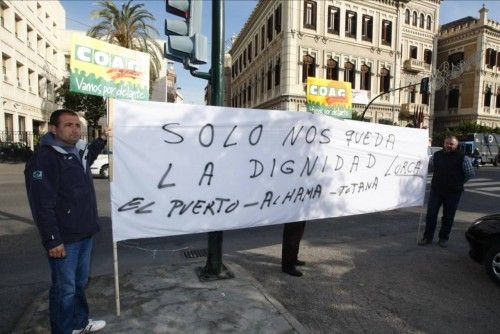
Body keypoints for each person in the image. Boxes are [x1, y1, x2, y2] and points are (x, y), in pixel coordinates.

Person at [25, 109, 108, 334]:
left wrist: (101, 139)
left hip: (84, 232)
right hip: (64, 239)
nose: (75, 129)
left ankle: (79, 323)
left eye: (77, 125)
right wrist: (52, 240)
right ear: (54, 129)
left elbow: (88, 157)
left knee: (79, 284)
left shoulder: (76, 152)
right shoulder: (45, 159)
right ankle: (63, 330)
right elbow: (42, 205)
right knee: (65, 289)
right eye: (68, 125)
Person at [419, 136, 475, 248]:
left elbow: (470, 173)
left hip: (453, 192)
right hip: (436, 190)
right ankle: (427, 237)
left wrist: (459, 182)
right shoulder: (437, 155)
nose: (449, 145)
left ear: (456, 145)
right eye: (447, 143)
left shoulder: (463, 158)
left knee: (448, 216)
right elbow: (430, 168)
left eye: (451, 144)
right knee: (431, 215)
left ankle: (443, 238)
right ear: (444, 143)